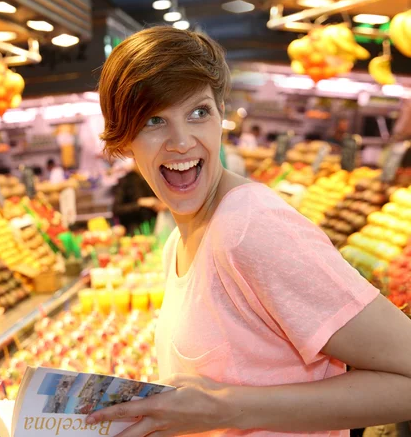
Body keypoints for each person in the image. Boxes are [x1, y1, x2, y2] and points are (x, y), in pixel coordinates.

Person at [86, 26, 411, 436]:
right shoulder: (179, 242)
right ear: (124, 138)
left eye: (198, 112)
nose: (181, 142)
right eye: (154, 121)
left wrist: (223, 409)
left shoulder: (249, 227)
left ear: (221, 112)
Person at [112, 161, 164, 235]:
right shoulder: (126, 181)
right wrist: (140, 204)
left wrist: (164, 205)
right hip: (134, 231)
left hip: (156, 227)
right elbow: (116, 209)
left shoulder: (155, 178)